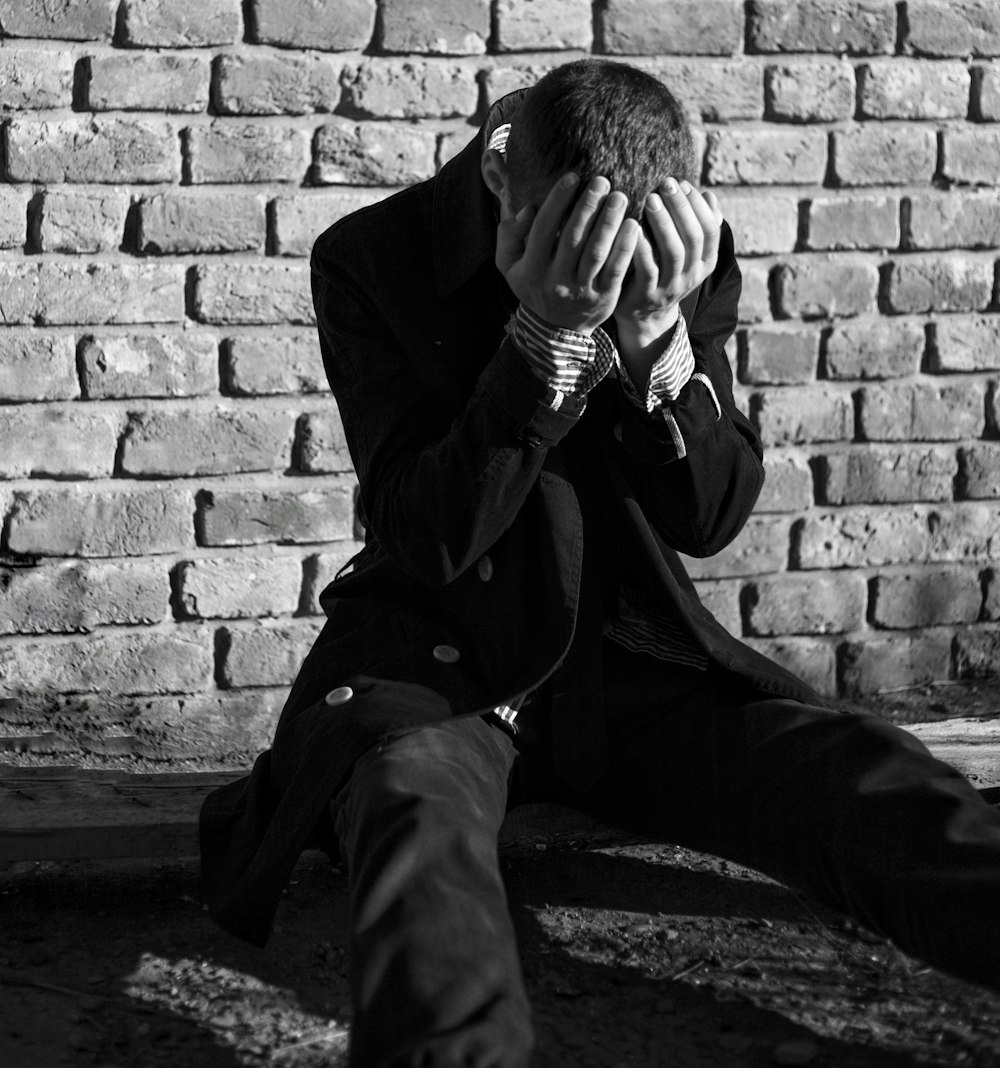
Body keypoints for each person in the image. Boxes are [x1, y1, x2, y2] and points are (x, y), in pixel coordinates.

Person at [201, 59, 1000, 1068]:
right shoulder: (374, 256)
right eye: (575, 239)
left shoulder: (681, 256)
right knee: (420, 847)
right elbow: (428, 534)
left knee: (866, 783)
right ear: (502, 189)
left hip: (623, 670)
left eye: (628, 254)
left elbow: (707, 514)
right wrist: (541, 342)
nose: (604, 267)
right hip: (433, 668)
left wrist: (658, 337)